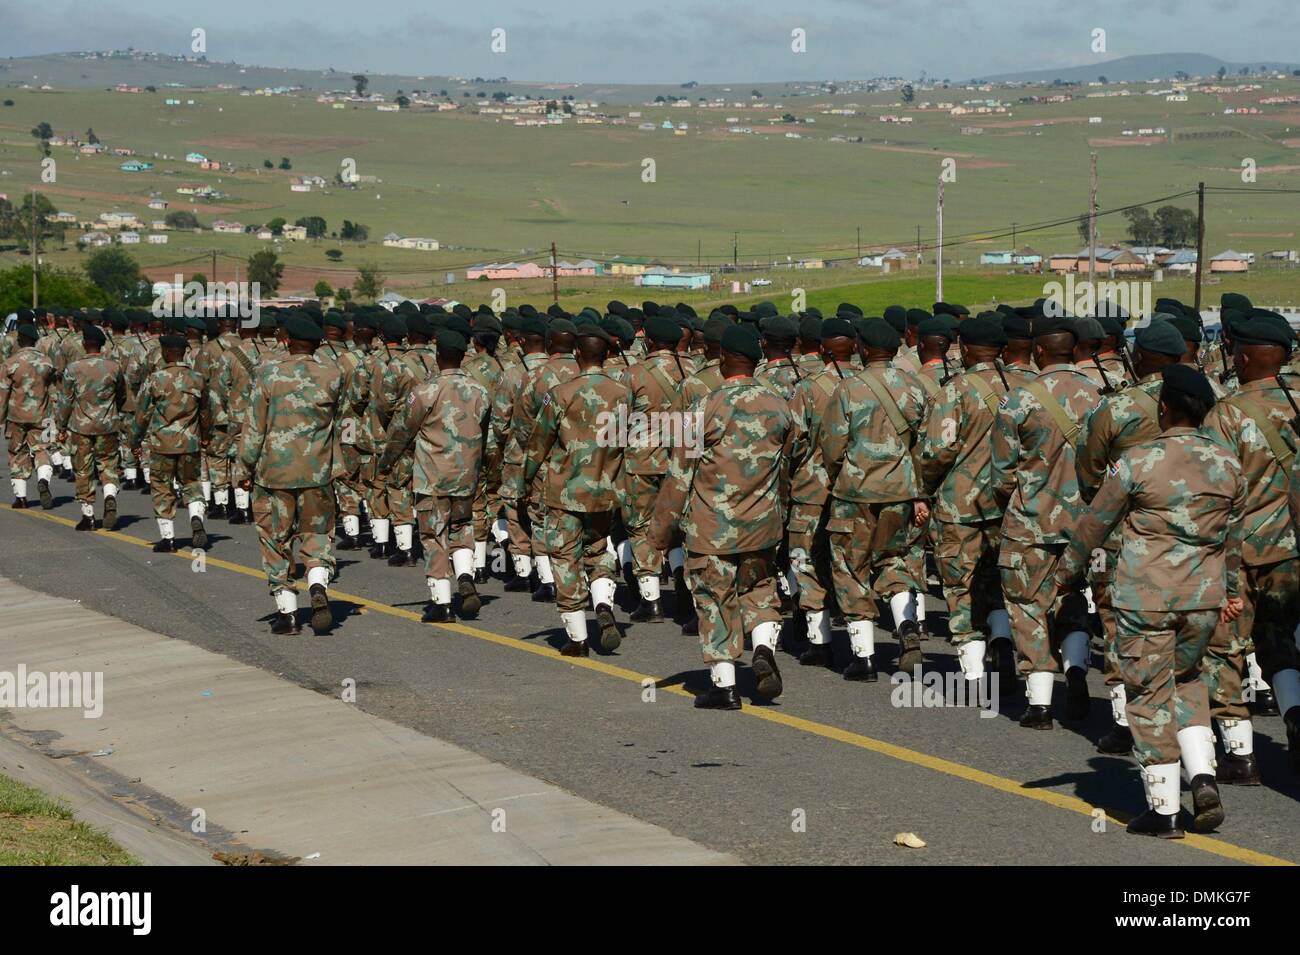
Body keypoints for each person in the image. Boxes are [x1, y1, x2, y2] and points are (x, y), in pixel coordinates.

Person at [1057, 364, 1245, 837]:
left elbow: (1095, 523)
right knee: (1188, 681)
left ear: (1164, 408)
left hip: (1147, 597)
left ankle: (1163, 810)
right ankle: (1202, 775)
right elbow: (1233, 540)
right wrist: (1233, 592)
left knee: (1148, 694)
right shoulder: (1228, 463)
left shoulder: (1138, 461)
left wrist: (1065, 573)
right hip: (1204, 597)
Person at [648, 324, 793, 709]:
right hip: (763, 524)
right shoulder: (780, 404)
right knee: (760, 592)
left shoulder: (704, 406)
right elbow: (788, 466)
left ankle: (724, 686)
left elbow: (679, 477)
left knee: (714, 600)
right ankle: (763, 650)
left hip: (712, 526)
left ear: (725, 359)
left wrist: (659, 534)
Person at [990, 316, 1102, 728]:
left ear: (1038, 351)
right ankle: (1075, 670)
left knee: (1026, 605)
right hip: (1087, 524)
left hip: (1031, 522)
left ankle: (1039, 703)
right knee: (1071, 600)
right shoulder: (1100, 395)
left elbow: (1001, 473)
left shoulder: (1019, 399)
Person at [819, 318, 929, 681]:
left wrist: (840, 476)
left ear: (862, 349)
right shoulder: (915, 386)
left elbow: (833, 445)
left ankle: (863, 658)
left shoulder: (849, 388)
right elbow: (925, 444)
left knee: (852, 569)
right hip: (902, 491)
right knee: (894, 561)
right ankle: (907, 625)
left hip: (856, 492)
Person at [916, 313, 1017, 689]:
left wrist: (922, 489)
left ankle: (974, 676)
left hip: (960, 504)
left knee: (960, 585)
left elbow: (938, 450)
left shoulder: (955, 390)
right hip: (1007, 501)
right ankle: (1004, 641)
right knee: (997, 581)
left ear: (969, 348)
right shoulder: (1020, 386)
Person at [523, 325, 630, 655]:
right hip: (605, 490)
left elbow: (538, 443)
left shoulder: (561, 394)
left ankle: (578, 638)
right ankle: (603, 605)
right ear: (608, 355)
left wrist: (525, 479)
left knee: (565, 558)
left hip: (565, 492)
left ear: (578, 355)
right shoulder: (623, 394)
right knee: (597, 552)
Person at [236, 316, 344, 635]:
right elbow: (343, 420)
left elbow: (254, 427)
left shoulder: (269, 374)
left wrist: (244, 468)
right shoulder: (333, 375)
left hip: (274, 474)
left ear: (288, 340)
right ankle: (317, 584)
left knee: (275, 538)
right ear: (317, 343)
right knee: (318, 535)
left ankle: (288, 614)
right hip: (318, 472)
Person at [620, 315, 692, 621]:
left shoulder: (633, 373)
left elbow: (618, 421)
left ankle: (650, 598)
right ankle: (682, 586)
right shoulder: (693, 370)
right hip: (683, 460)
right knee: (677, 528)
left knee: (641, 526)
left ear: (648, 341)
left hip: (642, 461)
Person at [132, 334, 213, 552]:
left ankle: (168, 538)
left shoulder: (155, 379)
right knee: (192, 483)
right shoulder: (197, 378)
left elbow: (142, 414)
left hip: (162, 444)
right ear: (184, 352)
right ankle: (196, 518)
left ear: (166, 352)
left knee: (162, 488)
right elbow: (206, 412)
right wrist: (206, 435)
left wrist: (135, 439)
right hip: (190, 443)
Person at [57, 324, 126, 531]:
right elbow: (121, 395)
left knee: (83, 469)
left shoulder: (73, 369)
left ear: (85, 344)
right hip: (108, 424)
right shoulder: (113, 367)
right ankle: (110, 496)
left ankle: (88, 516)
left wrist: (61, 426)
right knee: (108, 465)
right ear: (102, 345)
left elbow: (66, 401)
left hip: (81, 427)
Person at [0, 322, 56, 509]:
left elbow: (3, 394)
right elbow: (55, 388)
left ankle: (21, 497)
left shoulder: (10, 363)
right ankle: (43, 480)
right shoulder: (47, 362)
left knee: (17, 453)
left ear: (20, 340)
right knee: (42, 449)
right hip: (42, 414)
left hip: (17, 416)